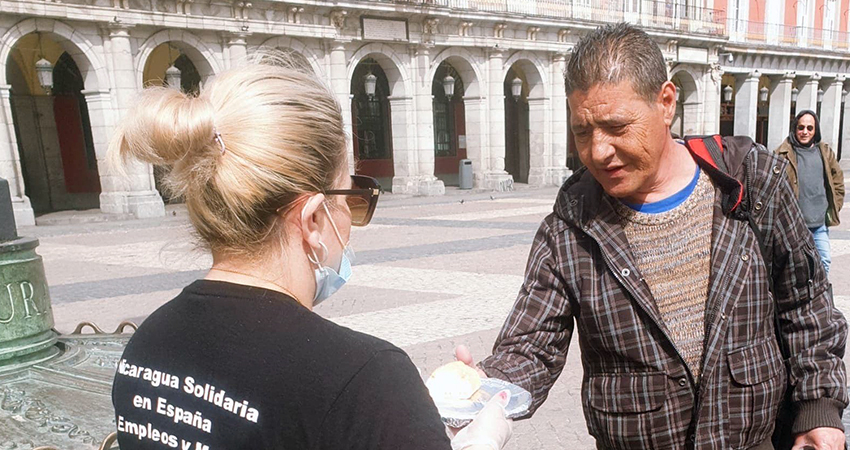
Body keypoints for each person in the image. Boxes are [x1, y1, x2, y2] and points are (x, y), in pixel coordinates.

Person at [451, 23, 848, 450]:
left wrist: (818, 408)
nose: (597, 151)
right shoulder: (569, 227)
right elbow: (531, 349)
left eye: (617, 126)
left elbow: (806, 305)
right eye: (582, 131)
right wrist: (479, 396)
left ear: (665, 102)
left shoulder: (750, 184)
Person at [110, 56, 511, 450]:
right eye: (352, 197)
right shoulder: (365, 377)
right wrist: (481, 442)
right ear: (315, 219)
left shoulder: (145, 344)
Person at [775, 110, 844, 276]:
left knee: (824, 260)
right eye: (801, 127)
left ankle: (818, 298)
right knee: (796, 267)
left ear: (815, 130)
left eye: (809, 128)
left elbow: (838, 182)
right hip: (795, 224)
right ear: (795, 128)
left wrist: (835, 205)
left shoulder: (825, 152)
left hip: (819, 224)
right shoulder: (782, 153)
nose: (805, 132)